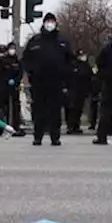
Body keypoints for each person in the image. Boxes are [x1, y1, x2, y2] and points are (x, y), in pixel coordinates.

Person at [22, 12, 70, 146]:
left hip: (56, 82)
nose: (50, 24)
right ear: (44, 23)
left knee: (55, 111)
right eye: (47, 21)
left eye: (52, 21)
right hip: (39, 82)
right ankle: (38, 137)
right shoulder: (35, 40)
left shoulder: (62, 41)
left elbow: (70, 60)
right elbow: (26, 59)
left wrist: (65, 77)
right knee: (39, 111)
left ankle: (55, 137)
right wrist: (31, 73)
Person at [0, 42, 24, 135]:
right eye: (11, 48)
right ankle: (3, 126)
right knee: (3, 107)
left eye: (14, 48)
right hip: (4, 87)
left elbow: (20, 73)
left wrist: (15, 81)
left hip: (14, 86)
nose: (12, 50)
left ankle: (16, 126)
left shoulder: (18, 61)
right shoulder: (2, 60)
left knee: (16, 107)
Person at [66, 50, 92, 135]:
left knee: (79, 109)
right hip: (73, 90)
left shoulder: (86, 65)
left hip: (82, 90)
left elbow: (89, 77)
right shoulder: (72, 64)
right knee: (72, 109)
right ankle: (71, 126)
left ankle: (76, 126)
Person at [87, 58, 103, 131]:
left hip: (100, 91)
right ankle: (92, 124)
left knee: (100, 109)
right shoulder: (93, 71)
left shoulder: (101, 71)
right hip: (94, 91)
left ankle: (97, 124)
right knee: (93, 109)